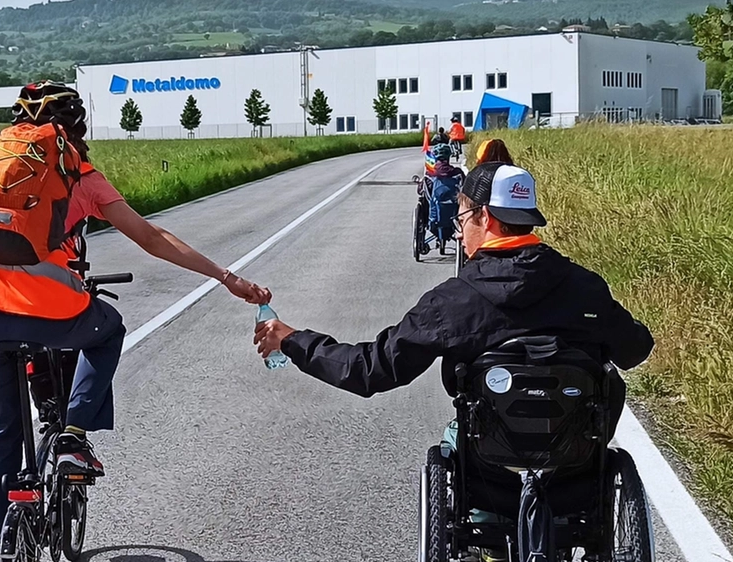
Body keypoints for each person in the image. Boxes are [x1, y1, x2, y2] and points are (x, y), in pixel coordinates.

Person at [0, 82, 271, 562]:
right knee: (107, 329)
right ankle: (74, 436)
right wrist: (226, 276)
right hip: (49, 313)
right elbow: (151, 237)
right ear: (76, 128)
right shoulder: (78, 172)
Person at [255, 161, 652, 497]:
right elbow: (634, 350)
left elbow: (369, 370)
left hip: (490, 474)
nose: (459, 232)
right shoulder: (586, 287)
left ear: (484, 217)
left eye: (461, 218)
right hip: (575, 468)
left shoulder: (452, 302)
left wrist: (291, 339)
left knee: (455, 437)